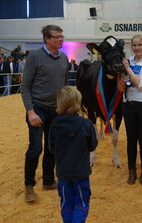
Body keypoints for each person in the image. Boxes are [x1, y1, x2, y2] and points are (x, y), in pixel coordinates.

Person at [20, 25, 69, 203]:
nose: (60, 39)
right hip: (37, 109)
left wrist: (64, 109)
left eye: (62, 36)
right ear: (47, 39)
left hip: (56, 110)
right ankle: (29, 186)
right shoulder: (34, 57)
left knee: (52, 148)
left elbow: (64, 87)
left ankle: (48, 181)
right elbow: (25, 87)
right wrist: (31, 112)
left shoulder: (64, 58)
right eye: (56, 37)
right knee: (35, 148)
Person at [49, 86, 98, 223]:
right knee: (82, 202)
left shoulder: (54, 124)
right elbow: (92, 145)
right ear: (78, 103)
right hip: (81, 172)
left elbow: (51, 148)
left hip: (63, 173)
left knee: (66, 203)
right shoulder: (86, 124)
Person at [118, 34, 142, 186]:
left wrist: (127, 68)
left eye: (139, 45)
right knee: (130, 141)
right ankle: (131, 170)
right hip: (128, 105)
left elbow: (140, 84)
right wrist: (121, 85)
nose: (136, 48)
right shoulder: (129, 61)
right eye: (134, 45)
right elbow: (123, 85)